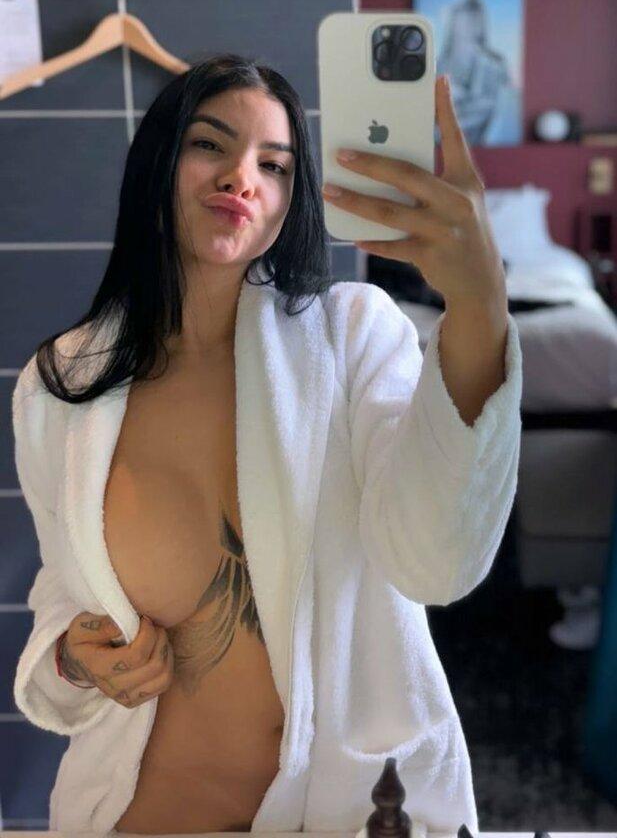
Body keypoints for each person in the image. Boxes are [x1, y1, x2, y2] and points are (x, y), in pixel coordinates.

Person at [13, 54, 523, 835]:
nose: (241, 177)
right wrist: (72, 658)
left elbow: (436, 561)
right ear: (157, 162)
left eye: (274, 164)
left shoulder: (354, 338)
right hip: (142, 815)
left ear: (293, 197)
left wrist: (480, 306)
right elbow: (63, 586)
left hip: (349, 813)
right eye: (209, 145)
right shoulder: (62, 385)